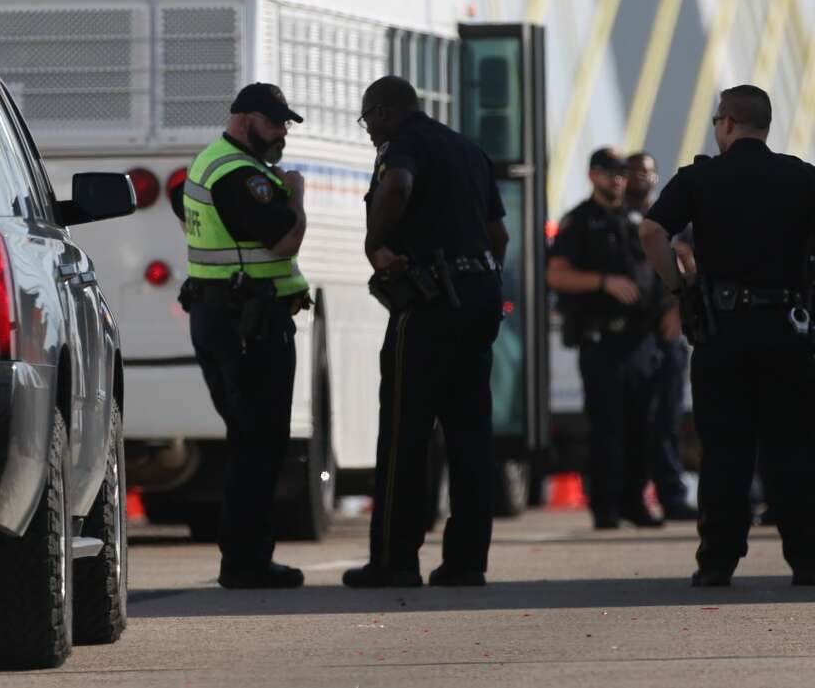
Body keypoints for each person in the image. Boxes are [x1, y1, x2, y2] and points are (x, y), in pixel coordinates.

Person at [639, 85, 815, 587]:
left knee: (725, 449)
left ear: (728, 123)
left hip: (722, 330)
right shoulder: (802, 177)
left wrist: (678, 289)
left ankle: (717, 561)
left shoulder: (699, 178)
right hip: (787, 328)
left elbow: (651, 233)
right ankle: (807, 558)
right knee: (794, 447)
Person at [342, 75, 507, 588]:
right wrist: (480, 276)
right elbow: (499, 233)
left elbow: (397, 185)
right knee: (470, 434)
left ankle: (394, 560)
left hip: (430, 301)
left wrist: (377, 242)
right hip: (477, 297)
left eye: (368, 121)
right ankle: (466, 561)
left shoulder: (403, 145)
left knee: (404, 433)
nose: (369, 132)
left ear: (386, 112)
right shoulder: (468, 149)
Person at [179, 82, 311, 589]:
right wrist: (297, 194)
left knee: (251, 440)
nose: (281, 132)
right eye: (275, 122)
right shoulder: (238, 175)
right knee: (259, 442)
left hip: (226, 318)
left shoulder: (213, 161)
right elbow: (283, 242)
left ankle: (246, 555)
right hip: (247, 324)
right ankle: (245, 560)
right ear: (243, 119)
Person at [547, 148, 668, 530]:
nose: (617, 179)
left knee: (643, 426)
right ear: (592, 176)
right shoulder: (580, 221)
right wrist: (603, 281)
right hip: (601, 340)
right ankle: (605, 506)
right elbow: (557, 275)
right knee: (607, 426)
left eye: (620, 172)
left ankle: (635, 501)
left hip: (641, 341)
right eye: (608, 172)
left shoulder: (639, 219)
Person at [625, 152, 699, 521]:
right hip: (628, 338)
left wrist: (677, 309)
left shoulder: (672, 220)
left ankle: (671, 495)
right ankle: (632, 500)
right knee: (632, 422)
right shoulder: (607, 220)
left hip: (666, 333)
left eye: (649, 172)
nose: (642, 178)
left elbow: (690, 268)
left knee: (667, 419)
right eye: (635, 171)